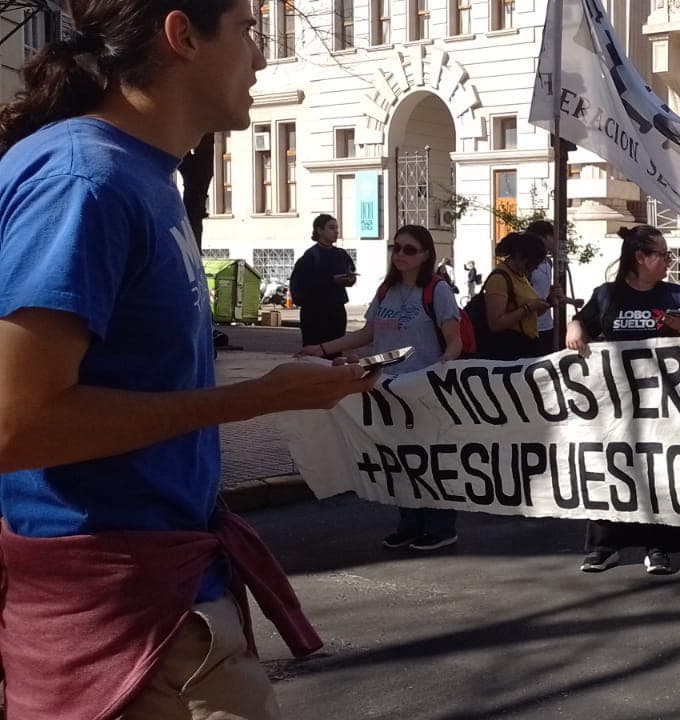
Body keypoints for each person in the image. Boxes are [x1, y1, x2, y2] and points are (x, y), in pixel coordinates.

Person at [0, 3, 377, 717]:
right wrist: (260, 398)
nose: (262, 58)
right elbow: (17, 426)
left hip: (163, 597)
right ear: (182, 36)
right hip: (126, 621)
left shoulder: (139, 176)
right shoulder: (86, 181)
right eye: (247, 29)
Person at [302, 225, 463, 550]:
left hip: (423, 389)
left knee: (430, 460)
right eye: (397, 247)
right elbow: (368, 334)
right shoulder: (385, 290)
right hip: (386, 388)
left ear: (426, 255)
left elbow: (454, 341)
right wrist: (322, 349)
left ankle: (441, 525)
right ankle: (410, 523)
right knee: (401, 459)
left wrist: (442, 367)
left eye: (409, 249)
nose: (400, 254)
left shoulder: (437, 290)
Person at [568, 225, 680, 575]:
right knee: (610, 467)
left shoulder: (676, 296)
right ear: (641, 258)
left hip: (665, 406)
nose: (669, 261)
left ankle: (658, 546)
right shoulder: (606, 295)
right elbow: (580, 322)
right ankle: (604, 546)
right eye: (663, 255)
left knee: (661, 471)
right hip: (616, 406)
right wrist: (575, 331)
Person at [289, 213, 357, 347]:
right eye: (331, 228)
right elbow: (302, 284)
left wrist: (350, 279)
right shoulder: (310, 256)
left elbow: (350, 273)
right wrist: (331, 280)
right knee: (315, 352)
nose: (336, 231)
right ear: (319, 230)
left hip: (336, 309)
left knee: (336, 350)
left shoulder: (341, 254)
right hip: (315, 312)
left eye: (337, 228)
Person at [480, 231, 549, 360]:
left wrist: (545, 303)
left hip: (528, 344)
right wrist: (528, 307)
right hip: (510, 349)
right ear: (519, 257)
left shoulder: (520, 275)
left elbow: (529, 313)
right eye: (532, 264)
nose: (534, 268)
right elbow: (495, 323)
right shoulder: (499, 279)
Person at [527, 221, 581, 357]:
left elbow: (547, 290)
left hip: (547, 325)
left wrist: (571, 301)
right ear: (543, 238)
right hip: (531, 326)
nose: (555, 242)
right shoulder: (527, 265)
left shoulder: (549, 263)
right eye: (553, 238)